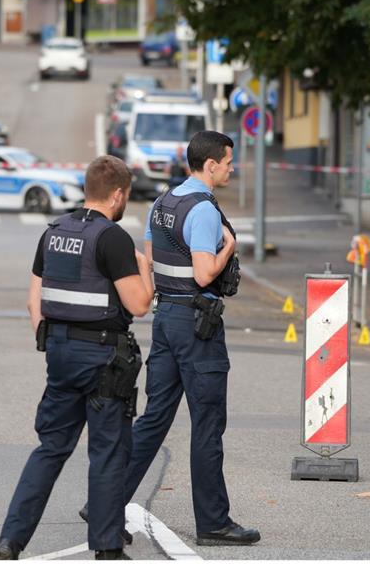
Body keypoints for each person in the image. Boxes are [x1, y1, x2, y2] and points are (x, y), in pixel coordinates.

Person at [0, 155, 154, 560]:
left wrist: (58, 342)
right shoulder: (112, 238)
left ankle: (10, 542)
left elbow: (35, 302)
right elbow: (138, 305)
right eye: (126, 196)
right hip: (102, 357)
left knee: (50, 448)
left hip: (61, 353)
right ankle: (107, 550)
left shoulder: (53, 232)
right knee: (106, 452)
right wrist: (145, 268)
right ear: (118, 194)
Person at [109, 130, 260, 546]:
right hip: (198, 325)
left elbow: (148, 258)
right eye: (228, 162)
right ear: (210, 165)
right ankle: (214, 523)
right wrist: (228, 246)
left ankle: (106, 501)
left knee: (155, 417)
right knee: (208, 424)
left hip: (167, 320)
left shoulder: (163, 202)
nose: (232, 168)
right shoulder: (205, 210)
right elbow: (204, 272)